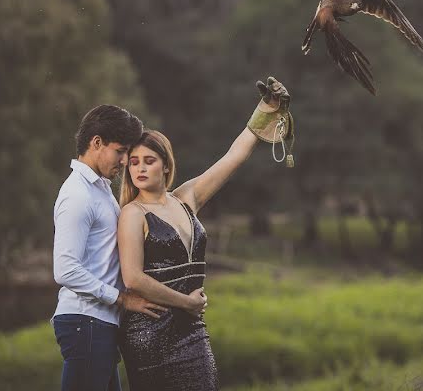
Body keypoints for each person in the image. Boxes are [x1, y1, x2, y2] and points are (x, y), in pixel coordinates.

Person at [117, 77, 292, 390]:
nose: (140, 168)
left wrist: (265, 108)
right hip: (149, 335)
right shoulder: (132, 213)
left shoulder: (186, 198)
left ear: (166, 167)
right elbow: (133, 279)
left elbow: (233, 157)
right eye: (134, 163)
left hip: (192, 333)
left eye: (149, 161)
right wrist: (185, 302)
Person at [52, 104, 174, 391]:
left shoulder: (100, 188)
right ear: (97, 143)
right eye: (120, 151)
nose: (124, 161)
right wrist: (122, 299)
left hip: (99, 324)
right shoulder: (78, 194)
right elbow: (66, 270)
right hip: (87, 322)